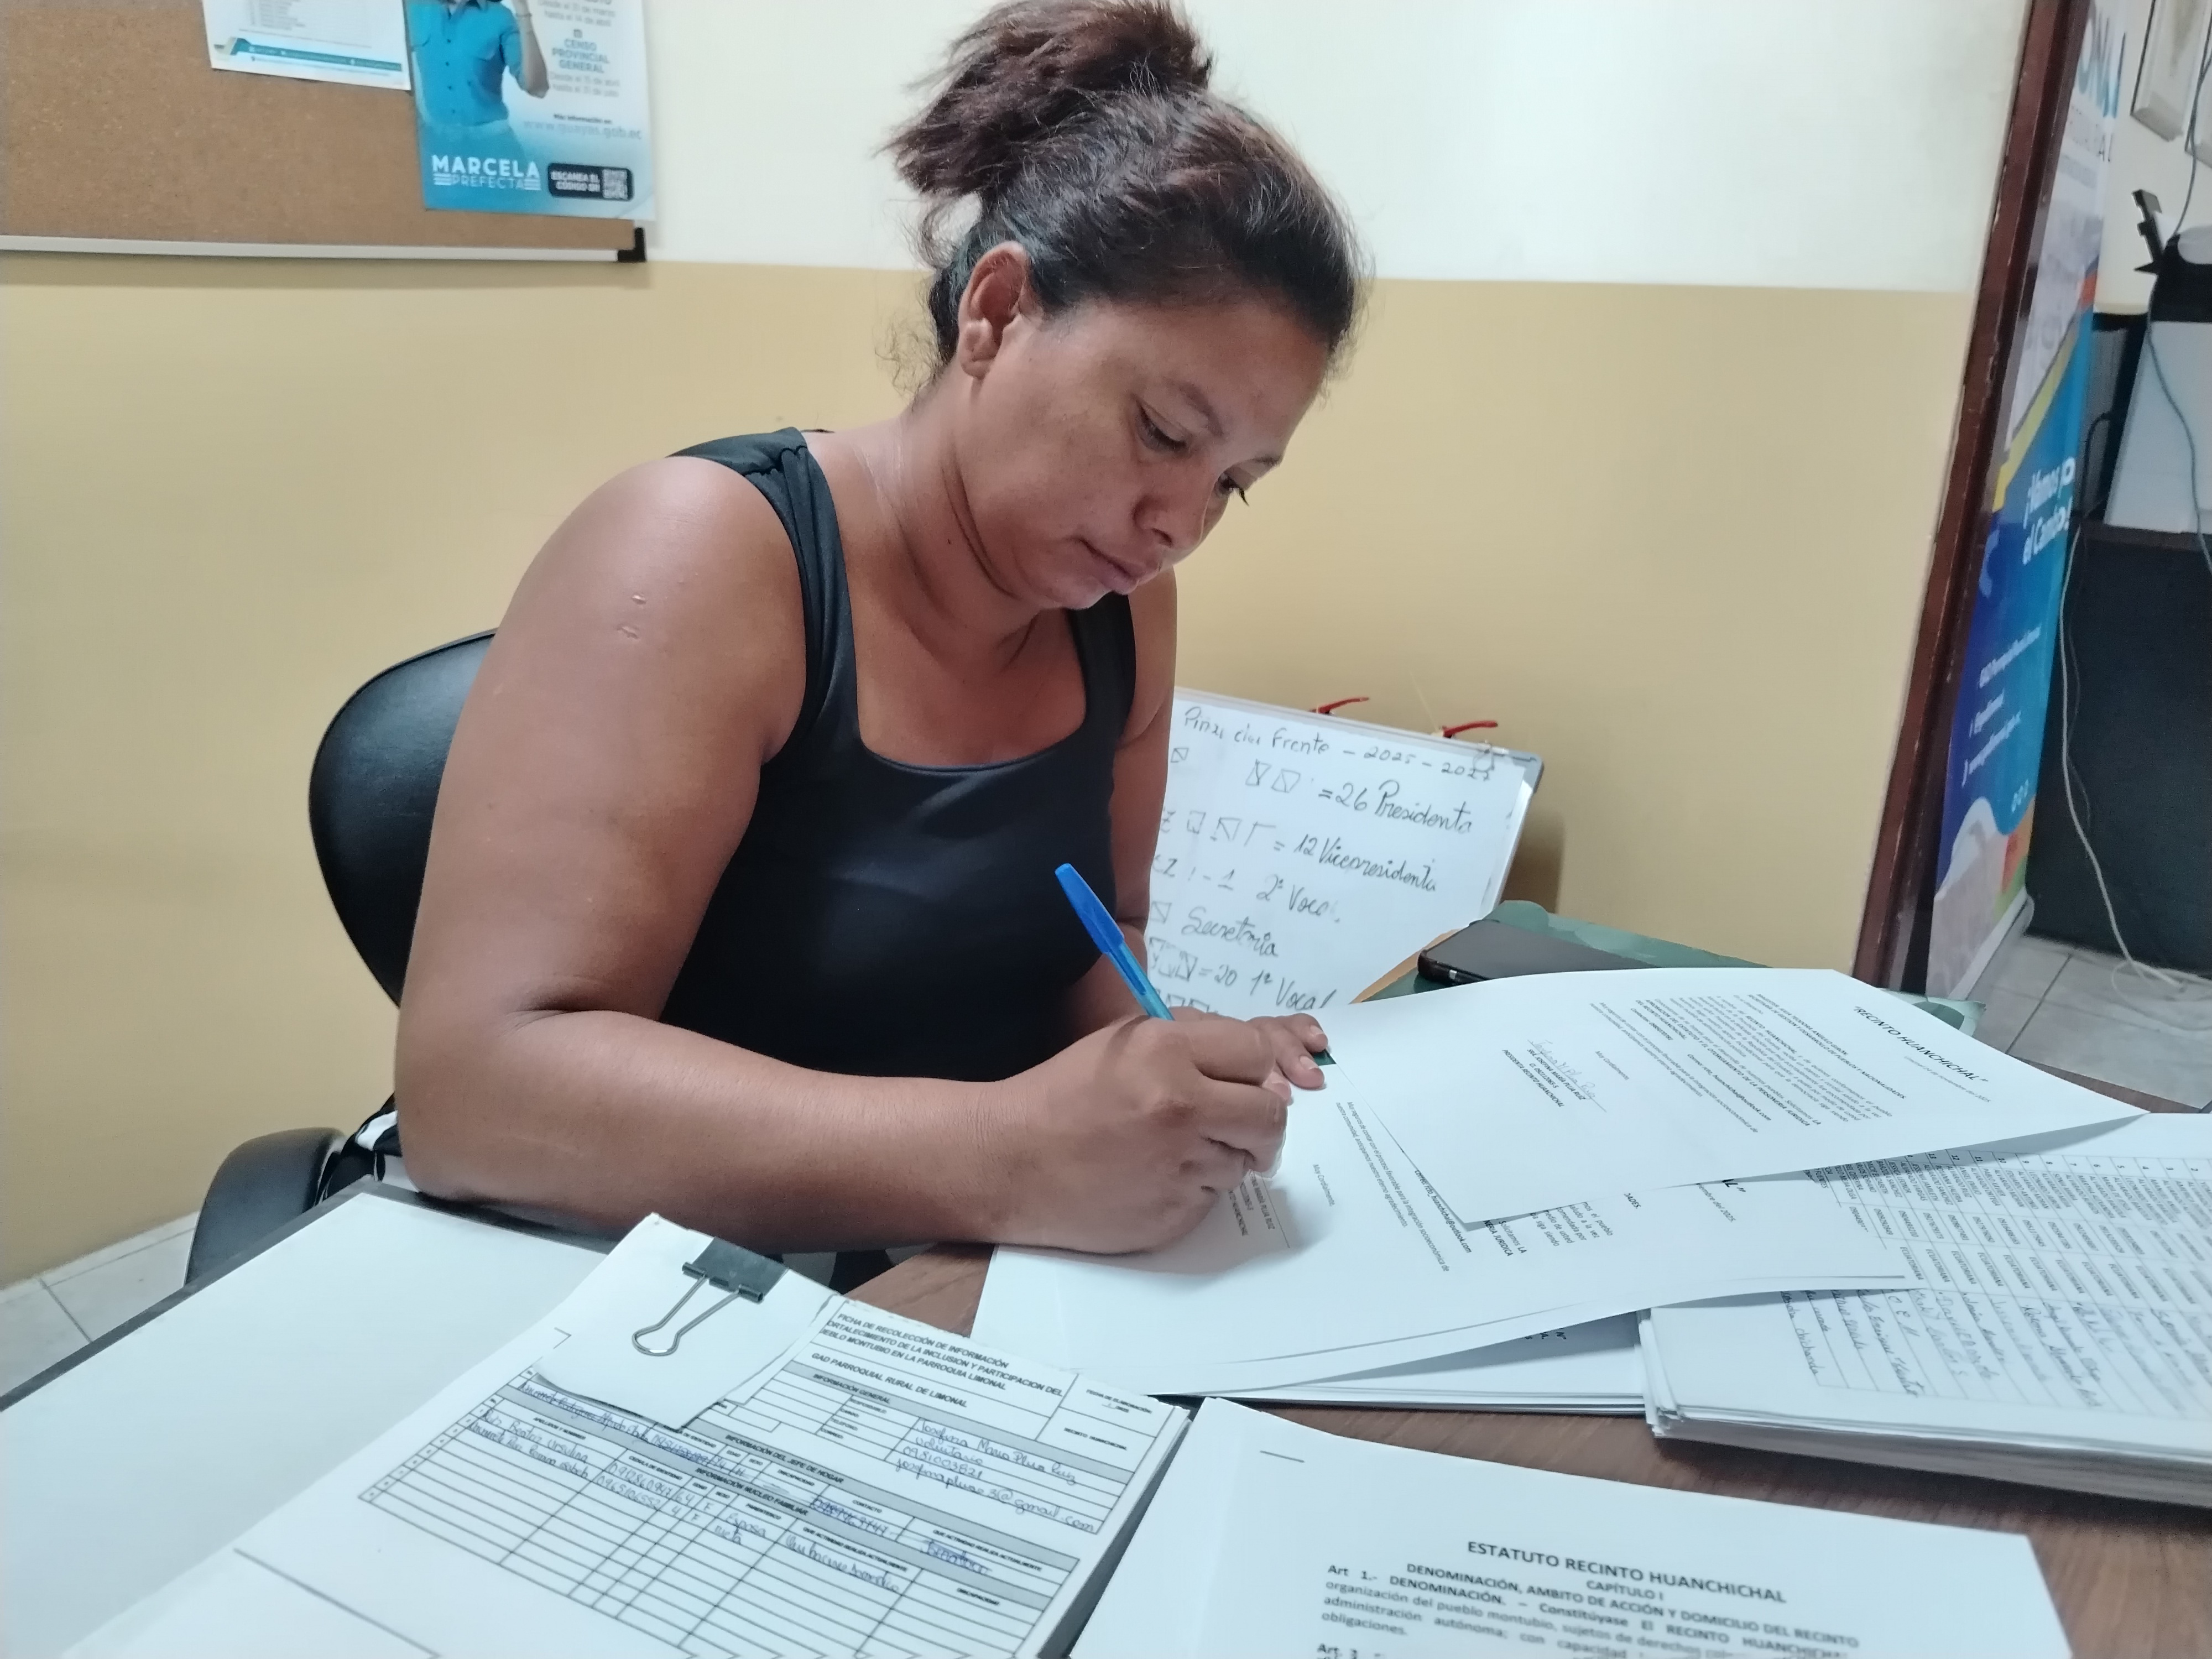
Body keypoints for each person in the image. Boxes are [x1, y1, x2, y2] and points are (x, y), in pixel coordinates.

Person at [396, 0, 1363, 1260]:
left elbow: (1097, 945)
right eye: (1162, 433)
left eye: (1232, 482)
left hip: (956, 1266)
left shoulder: (1122, 607)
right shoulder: (706, 555)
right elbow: (475, 1092)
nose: (1177, 524)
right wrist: (1005, 1158)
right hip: (657, 1272)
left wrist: (1164, 1074)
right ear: (998, 313)